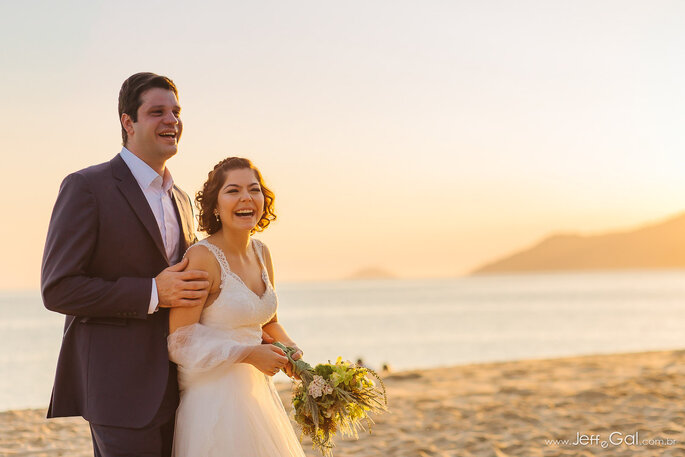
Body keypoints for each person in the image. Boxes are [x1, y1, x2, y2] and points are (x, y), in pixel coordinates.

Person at [41, 72, 210, 457]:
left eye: (176, 111)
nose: (172, 121)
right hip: (118, 387)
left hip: (184, 385)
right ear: (127, 122)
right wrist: (153, 291)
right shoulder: (87, 187)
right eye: (157, 112)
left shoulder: (181, 199)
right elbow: (59, 287)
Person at [168, 157, 306, 456]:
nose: (246, 197)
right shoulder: (202, 257)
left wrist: (291, 350)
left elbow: (268, 322)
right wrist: (248, 353)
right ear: (215, 205)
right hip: (214, 400)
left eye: (254, 189)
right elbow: (180, 342)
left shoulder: (262, 253)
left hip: (256, 394)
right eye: (233, 190)